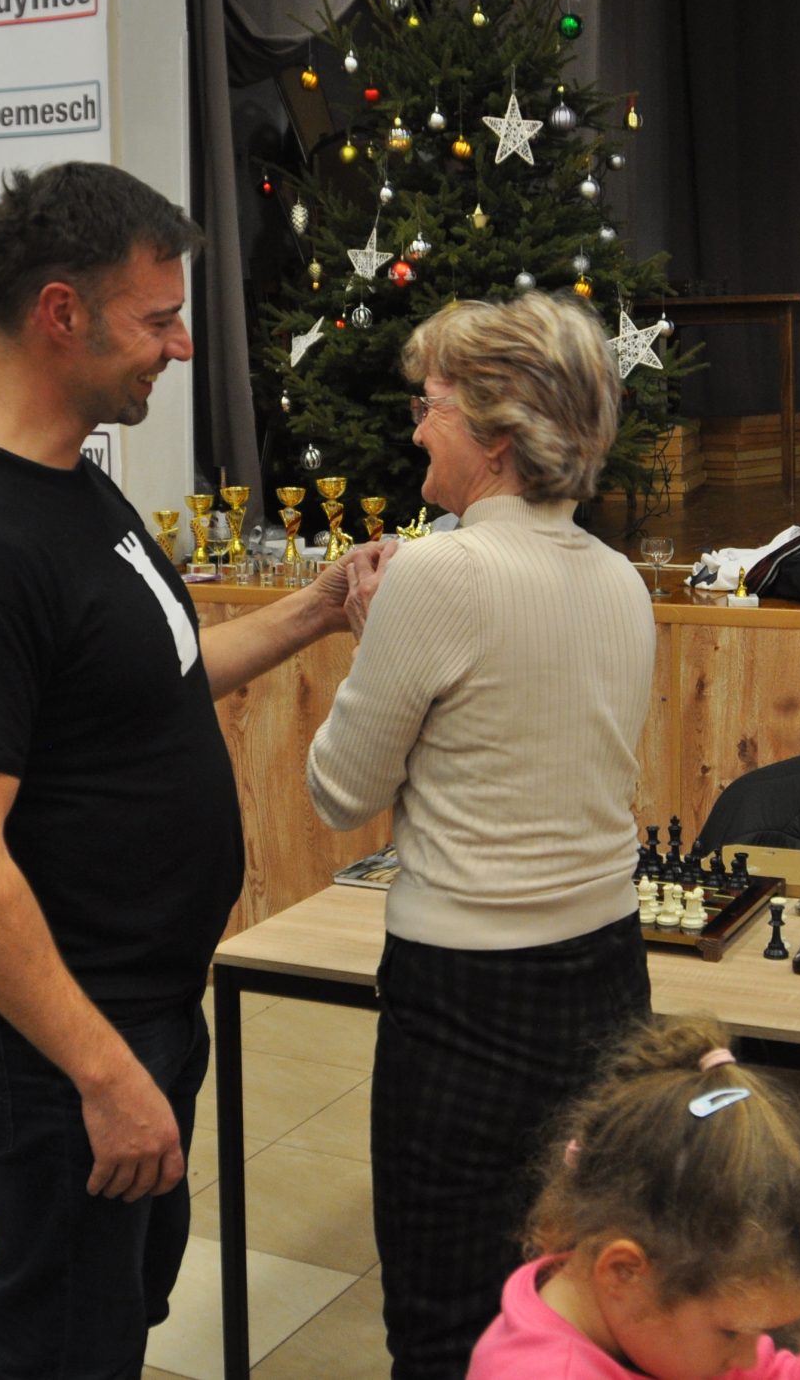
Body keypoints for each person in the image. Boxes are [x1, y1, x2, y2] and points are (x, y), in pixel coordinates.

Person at [0, 161, 384, 1380]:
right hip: (68, 1027)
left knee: (119, 1303)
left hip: (141, 999)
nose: (181, 344)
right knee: (66, 1337)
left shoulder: (73, 482)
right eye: (158, 318)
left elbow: (156, 678)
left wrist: (316, 608)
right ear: (62, 313)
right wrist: (101, 1071)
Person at [304, 293, 658, 1380]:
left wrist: (374, 641)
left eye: (432, 406)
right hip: (609, 979)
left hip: (467, 996)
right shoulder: (619, 575)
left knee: (445, 1316)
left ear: (497, 437)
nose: (417, 429)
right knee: (576, 1306)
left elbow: (338, 789)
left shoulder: (440, 571)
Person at [467, 1016, 800, 1380]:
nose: (748, 1359)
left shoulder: (659, 1320)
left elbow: (773, 1372)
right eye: (734, 1334)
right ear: (624, 1272)